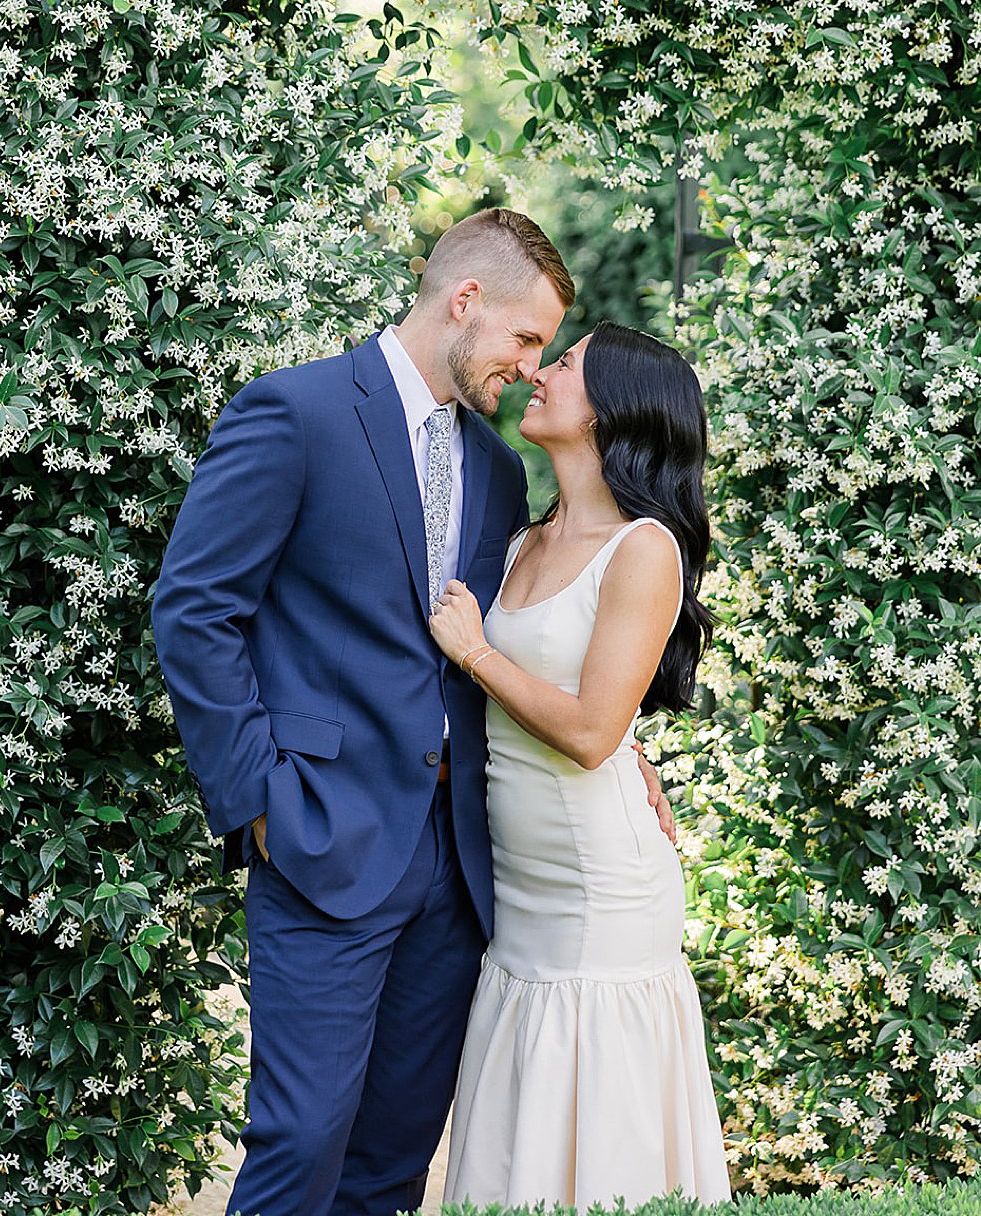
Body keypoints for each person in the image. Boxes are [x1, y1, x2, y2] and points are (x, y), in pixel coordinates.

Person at [152, 210, 676, 1216]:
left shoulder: (497, 468)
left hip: (459, 864)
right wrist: (256, 797)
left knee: (395, 1156)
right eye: (526, 337)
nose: (532, 367)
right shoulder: (295, 411)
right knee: (301, 1139)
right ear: (465, 301)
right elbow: (195, 609)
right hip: (320, 834)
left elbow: (507, 643)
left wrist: (621, 752)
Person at [429, 322, 732, 1211]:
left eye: (564, 365)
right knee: (522, 1112)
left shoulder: (643, 548)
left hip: (600, 891)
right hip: (521, 888)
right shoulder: (526, 538)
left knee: (595, 1109)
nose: (539, 372)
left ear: (611, 410)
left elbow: (595, 731)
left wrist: (475, 653)